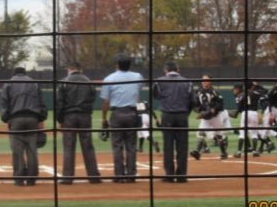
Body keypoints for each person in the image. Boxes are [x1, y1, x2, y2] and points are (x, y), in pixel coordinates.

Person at [0, 67, 48, 186]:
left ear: (14, 74)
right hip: (33, 119)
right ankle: (31, 178)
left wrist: (6, 119)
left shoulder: (9, 83)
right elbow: (41, 103)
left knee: (17, 151)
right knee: (32, 150)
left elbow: (4, 103)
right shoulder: (34, 83)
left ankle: (19, 178)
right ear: (25, 73)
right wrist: (41, 119)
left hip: (16, 119)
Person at [100, 53, 144, 183]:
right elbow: (138, 91)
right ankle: (131, 174)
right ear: (129, 65)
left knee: (117, 145)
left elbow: (106, 102)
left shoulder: (109, 78)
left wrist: (104, 118)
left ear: (117, 65)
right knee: (131, 145)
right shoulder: (137, 76)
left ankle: (119, 175)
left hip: (117, 114)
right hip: (132, 113)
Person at [56, 62, 101, 185]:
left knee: (69, 146)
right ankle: (93, 176)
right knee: (88, 146)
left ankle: (67, 177)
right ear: (80, 69)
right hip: (85, 115)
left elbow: (60, 102)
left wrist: (60, 119)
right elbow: (92, 98)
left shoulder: (64, 82)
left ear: (69, 69)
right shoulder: (89, 81)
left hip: (69, 116)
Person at [153, 61, 195, 183]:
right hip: (182, 115)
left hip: (167, 115)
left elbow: (156, 95)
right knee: (182, 147)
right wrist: (186, 113)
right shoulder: (187, 82)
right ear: (178, 69)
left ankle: (169, 174)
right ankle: (182, 175)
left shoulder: (159, 81)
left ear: (166, 70)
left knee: (168, 146)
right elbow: (193, 101)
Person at [189, 75, 229, 161]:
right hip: (205, 117)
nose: (204, 82)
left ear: (210, 81)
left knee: (218, 135)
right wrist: (198, 110)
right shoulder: (198, 92)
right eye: (203, 80)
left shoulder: (214, 91)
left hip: (216, 117)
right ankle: (197, 152)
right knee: (201, 133)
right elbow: (195, 105)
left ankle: (223, 153)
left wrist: (214, 109)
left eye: (206, 80)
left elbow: (220, 103)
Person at [229, 82, 266, 158]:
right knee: (254, 133)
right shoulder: (256, 93)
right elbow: (265, 91)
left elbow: (239, 107)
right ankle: (255, 152)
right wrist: (257, 85)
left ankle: (239, 152)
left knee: (242, 133)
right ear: (252, 86)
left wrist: (235, 113)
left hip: (245, 113)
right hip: (254, 113)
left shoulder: (242, 94)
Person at [259, 83, 277, 153]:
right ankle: (261, 148)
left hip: (272, 110)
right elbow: (269, 99)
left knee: (265, 129)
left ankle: (261, 148)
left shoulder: (274, 89)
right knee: (265, 129)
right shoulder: (274, 89)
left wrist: (270, 113)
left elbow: (269, 99)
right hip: (272, 109)